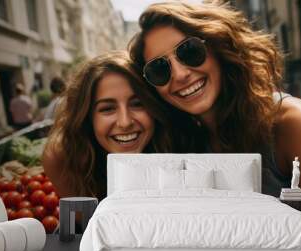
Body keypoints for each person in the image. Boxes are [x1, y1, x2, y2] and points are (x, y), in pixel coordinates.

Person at [128, 1, 301, 233]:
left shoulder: (299, 123)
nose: (180, 75)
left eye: (189, 51)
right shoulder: (188, 142)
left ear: (219, 46)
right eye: (159, 69)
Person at [43, 51, 196, 200]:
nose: (125, 122)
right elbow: (84, 222)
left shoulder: (181, 141)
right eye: (107, 109)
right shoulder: (63, 157)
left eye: (138, 104)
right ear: (86, 117)